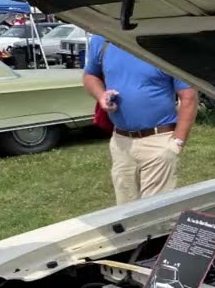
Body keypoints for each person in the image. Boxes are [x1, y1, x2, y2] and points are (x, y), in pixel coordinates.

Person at [83, 35, 198, 205]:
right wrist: (101, 95)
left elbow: (189, 97)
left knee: (155, 210)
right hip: (121, 143)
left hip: (158, 141)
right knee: (125, 209)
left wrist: (177, 143)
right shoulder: (102, 39)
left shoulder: (166, 43)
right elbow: (90, 76)